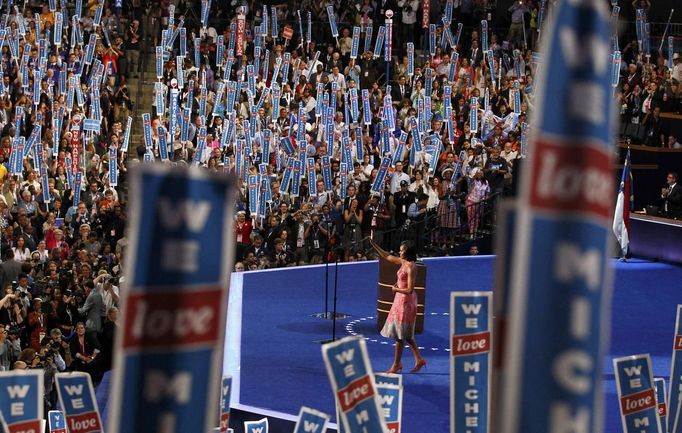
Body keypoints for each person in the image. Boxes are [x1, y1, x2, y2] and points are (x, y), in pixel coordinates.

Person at [369, 239, 426, 374]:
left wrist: (396, 290)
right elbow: (387, 256)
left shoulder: (411, 266)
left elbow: (410, 289)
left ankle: (396, 364)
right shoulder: (403, 262)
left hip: (406, 302)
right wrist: (373, 244)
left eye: (402, 250)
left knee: (400, 335)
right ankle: (418, 359)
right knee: (404, 334)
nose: (400, 252)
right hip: (400, 300)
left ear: (408, 252)